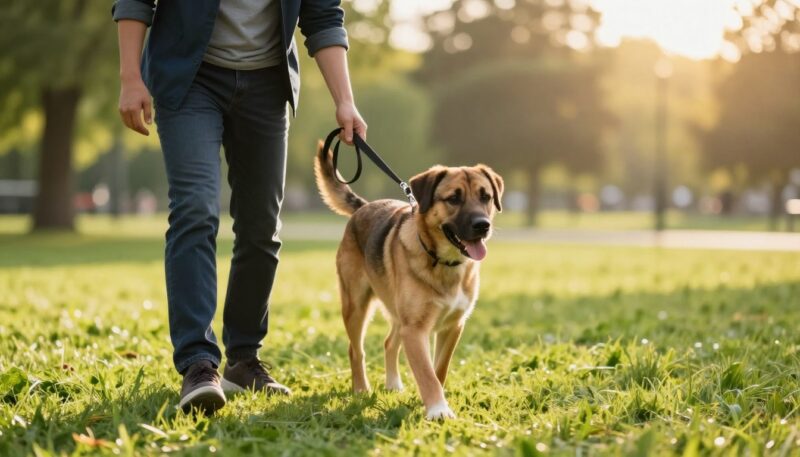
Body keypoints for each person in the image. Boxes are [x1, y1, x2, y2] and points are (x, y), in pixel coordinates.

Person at [112, 0, 367, 413]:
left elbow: (322, 16)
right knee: (195, 209)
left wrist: (345, 100)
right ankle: (197, 362)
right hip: (189, 76)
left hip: (267, 85)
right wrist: (130, 77)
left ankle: (244, 359)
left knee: (261, 226)